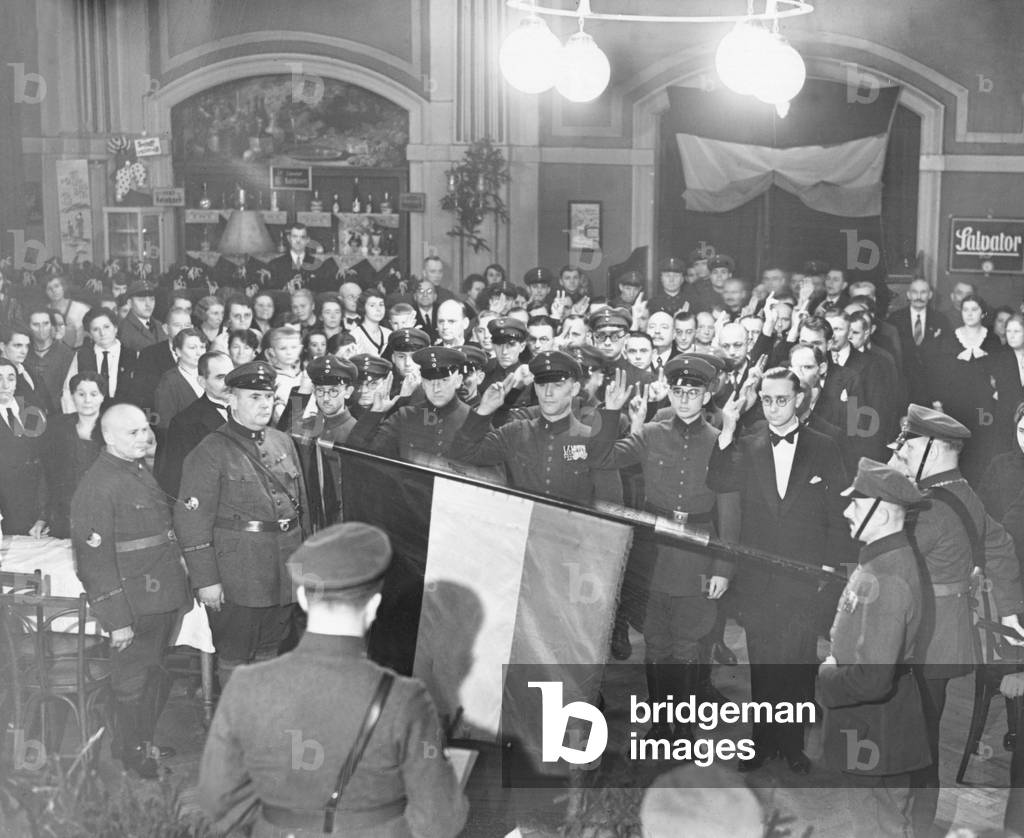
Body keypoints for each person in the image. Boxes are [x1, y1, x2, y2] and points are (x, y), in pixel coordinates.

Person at [198, 522, 469, 837]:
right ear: (374, 606)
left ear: (301, 597)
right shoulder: (405, 698)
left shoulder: (246, 685)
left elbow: (216, 804)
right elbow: (442, 819)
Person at [886, 404, 1024, 836]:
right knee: (923, 730)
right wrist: (1011, 614)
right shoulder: (962, 492)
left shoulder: (927, 505)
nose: (902, 451)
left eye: (907, 445)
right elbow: (1000, 547)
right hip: (945, 637)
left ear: (930, 447)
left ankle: (913, 826)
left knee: (911, 739)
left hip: (919, 637)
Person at [707, 367, 853, 774]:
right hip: (758, 580)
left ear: (800, 400)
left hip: (805, 579)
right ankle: (761, 743)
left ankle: (792, 746)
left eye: (782, 400)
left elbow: (839, 515)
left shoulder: (824, 446)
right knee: (763, 664)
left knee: (797, 663)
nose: (773, 408)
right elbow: (716, 482)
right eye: (767, 400)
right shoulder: (747, 444)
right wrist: (727, 430)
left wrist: (828, 567)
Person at [596, 355, 738, 739]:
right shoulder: (652, 433)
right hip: (653, 554)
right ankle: (661, 724)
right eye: (678, 391)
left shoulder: (719, 442)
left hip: (697, 556)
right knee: (656, 642)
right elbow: (603, 457)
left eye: (693, 392)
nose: (685, 399)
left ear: (708, 394)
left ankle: (685, 728)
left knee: (688, 644)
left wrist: (724, 568)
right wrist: (612, 414)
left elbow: (730, 515)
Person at [70, 403, 190, 778]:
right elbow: (94, 562)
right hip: (136, 603)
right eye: (133, 433)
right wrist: (117, 620)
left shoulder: (135, 471)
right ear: (108, 437)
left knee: (151, 673)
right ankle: (132, 753)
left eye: (144, 430)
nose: (144, 437)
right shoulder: (98, 485)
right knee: (131, 680)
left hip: (161, 595)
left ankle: (141, 742)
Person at [174, 361, 309, 687]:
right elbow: (191, 520)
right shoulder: (210, 451)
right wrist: (206, 580)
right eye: (254, 397)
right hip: (240, 574)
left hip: (283, 569)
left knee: (272, 651)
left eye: (268, 396)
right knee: (235, 656)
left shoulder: (282, 442)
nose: (264, 404)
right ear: (232, 400)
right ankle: (235, 730)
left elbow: (302, 509)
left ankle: (261, 723)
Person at [818, 458, 931, 838]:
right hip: (877, 726)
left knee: (875, 825)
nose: (847, 511)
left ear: (880, 513)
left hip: (873, 726)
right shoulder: (883, 561)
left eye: (856, 503)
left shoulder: (887, 576)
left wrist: (827, 674)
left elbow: (872, 680)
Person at [449, 351, 628, 505]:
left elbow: (612, 506)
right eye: (542, 385)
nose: (548, 393)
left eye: (557, 385)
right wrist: (484, 411)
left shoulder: (594, 442)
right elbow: (462, 456)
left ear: (574, 389)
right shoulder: (515, 433)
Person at [348, 347, 469, 466]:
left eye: (444, 380)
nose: (436, 388)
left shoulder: (473, 420)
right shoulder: (405, 417)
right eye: (430, 381)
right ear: (422, 382)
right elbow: (355, 452)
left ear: (458, 381)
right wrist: (375, 413)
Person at [293, 355, 359, 531]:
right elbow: (282, 436)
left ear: (348, 391)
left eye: (333, 391)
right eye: (320, 391)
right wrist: (302, 394)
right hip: (310, 523)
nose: (326, 398)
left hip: (343, 524)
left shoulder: (356, 431)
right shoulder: (309, 425)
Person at [154, 351, 232, 499]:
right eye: (220, 378)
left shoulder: (247, 411)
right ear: (202, 382)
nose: (229, 384)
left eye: (231, 376)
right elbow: (176, 479)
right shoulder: (185, 422)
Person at [43, 370, 105, 538]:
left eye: (94, 394)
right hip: (65, 518)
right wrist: (43, 517)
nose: (87, 400)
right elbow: (47, 474)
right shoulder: (57, 427)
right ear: (72, 396)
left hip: (105, 517)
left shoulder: (113, 428)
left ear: (102, 397)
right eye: (81, 394)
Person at [0, 357, 49, 537]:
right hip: (5, 512)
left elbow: (45, 461)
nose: (5, 385)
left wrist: (44, 514)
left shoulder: (31, 411)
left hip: (36, 509)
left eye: (11, 378)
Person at [61, 307, 138, 411]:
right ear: (90, 334)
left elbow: (142, 393)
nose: (102, 333)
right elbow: (68, 391)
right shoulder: (82, 356)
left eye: (106, 327)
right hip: (90, 416)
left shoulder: (133, 356)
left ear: (115, 328)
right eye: (96, 329)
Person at [889, 278, 950, 406]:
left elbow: (945, 357)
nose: (919, 296)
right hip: (903, 385)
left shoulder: (941, 320)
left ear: (930, 295)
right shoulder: (895, 319)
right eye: (915, 292)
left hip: (932, 387)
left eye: (923, 292)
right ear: (908, 295)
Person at [153, 327, 207, 432]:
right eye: (192, 348)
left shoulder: (210, 375)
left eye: (202, 347)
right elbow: (164, 426)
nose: (199, 353)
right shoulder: (168, 382)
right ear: (178, 351)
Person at [25, 307, 73, 411]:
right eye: (36, 325)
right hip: (29, 414)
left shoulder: (67, 354)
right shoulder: (24, 353)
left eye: (45, 324)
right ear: (29, 327)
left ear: (52, 326)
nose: (41, 329)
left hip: (59, 414)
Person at [991, 313, 1024, 457]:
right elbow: (1005, 392)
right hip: (1008, 418)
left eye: (1016, 331)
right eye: (1008, 331)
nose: (1011, 335)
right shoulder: (1001, 358)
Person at [267, 222, 319, 290]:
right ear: (289, 238)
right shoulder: (275, 264)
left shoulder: (317, 265)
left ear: (308, 240)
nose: (298, 240)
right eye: (295, 236)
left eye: (302, 237)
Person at [117, 280, 163, 353]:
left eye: (152, 299)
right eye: (142, 300)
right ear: (130, 303)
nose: (148, 304)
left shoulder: (159, 325)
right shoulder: (123, 330)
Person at [44, 274, 89, 348]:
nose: (54, 291)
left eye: (56, 286)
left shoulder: (81, 309)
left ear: (63, 287)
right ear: (45, 292)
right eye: (49, 289)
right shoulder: (43, 312)